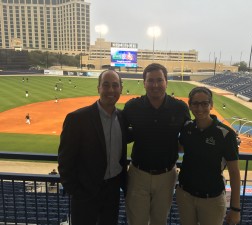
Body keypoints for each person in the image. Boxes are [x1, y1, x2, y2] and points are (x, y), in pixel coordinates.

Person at [123, 63, 190, 225]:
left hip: (167, 175)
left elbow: (190, 139)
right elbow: (121, 136)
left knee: (159, 221)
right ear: (144, 83)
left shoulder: (180, 108)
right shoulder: (132, 107)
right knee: (136, 221)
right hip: (138, 174)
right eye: (150, 80)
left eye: (159, 80)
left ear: (166, 82)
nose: (155, 85)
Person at [58, 70, 127, 225]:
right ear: (98, 88)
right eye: (106, 85)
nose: (111, 90)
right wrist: (76, 191)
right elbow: (65, 161)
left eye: (115, 85)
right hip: (85, 193)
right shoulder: (77, 119)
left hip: (112, 192)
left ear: (121, 89)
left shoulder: (123, 117)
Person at [176, 86, 240, 225]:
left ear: (211, 105)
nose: (200, 108)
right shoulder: (187, 128)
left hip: (212, 199)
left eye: (204, 103)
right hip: (185, 195)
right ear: (190, 106)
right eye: (195, 104)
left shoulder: (226, 134)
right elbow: (180, 147)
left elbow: (234, 172)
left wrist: (235, 208)